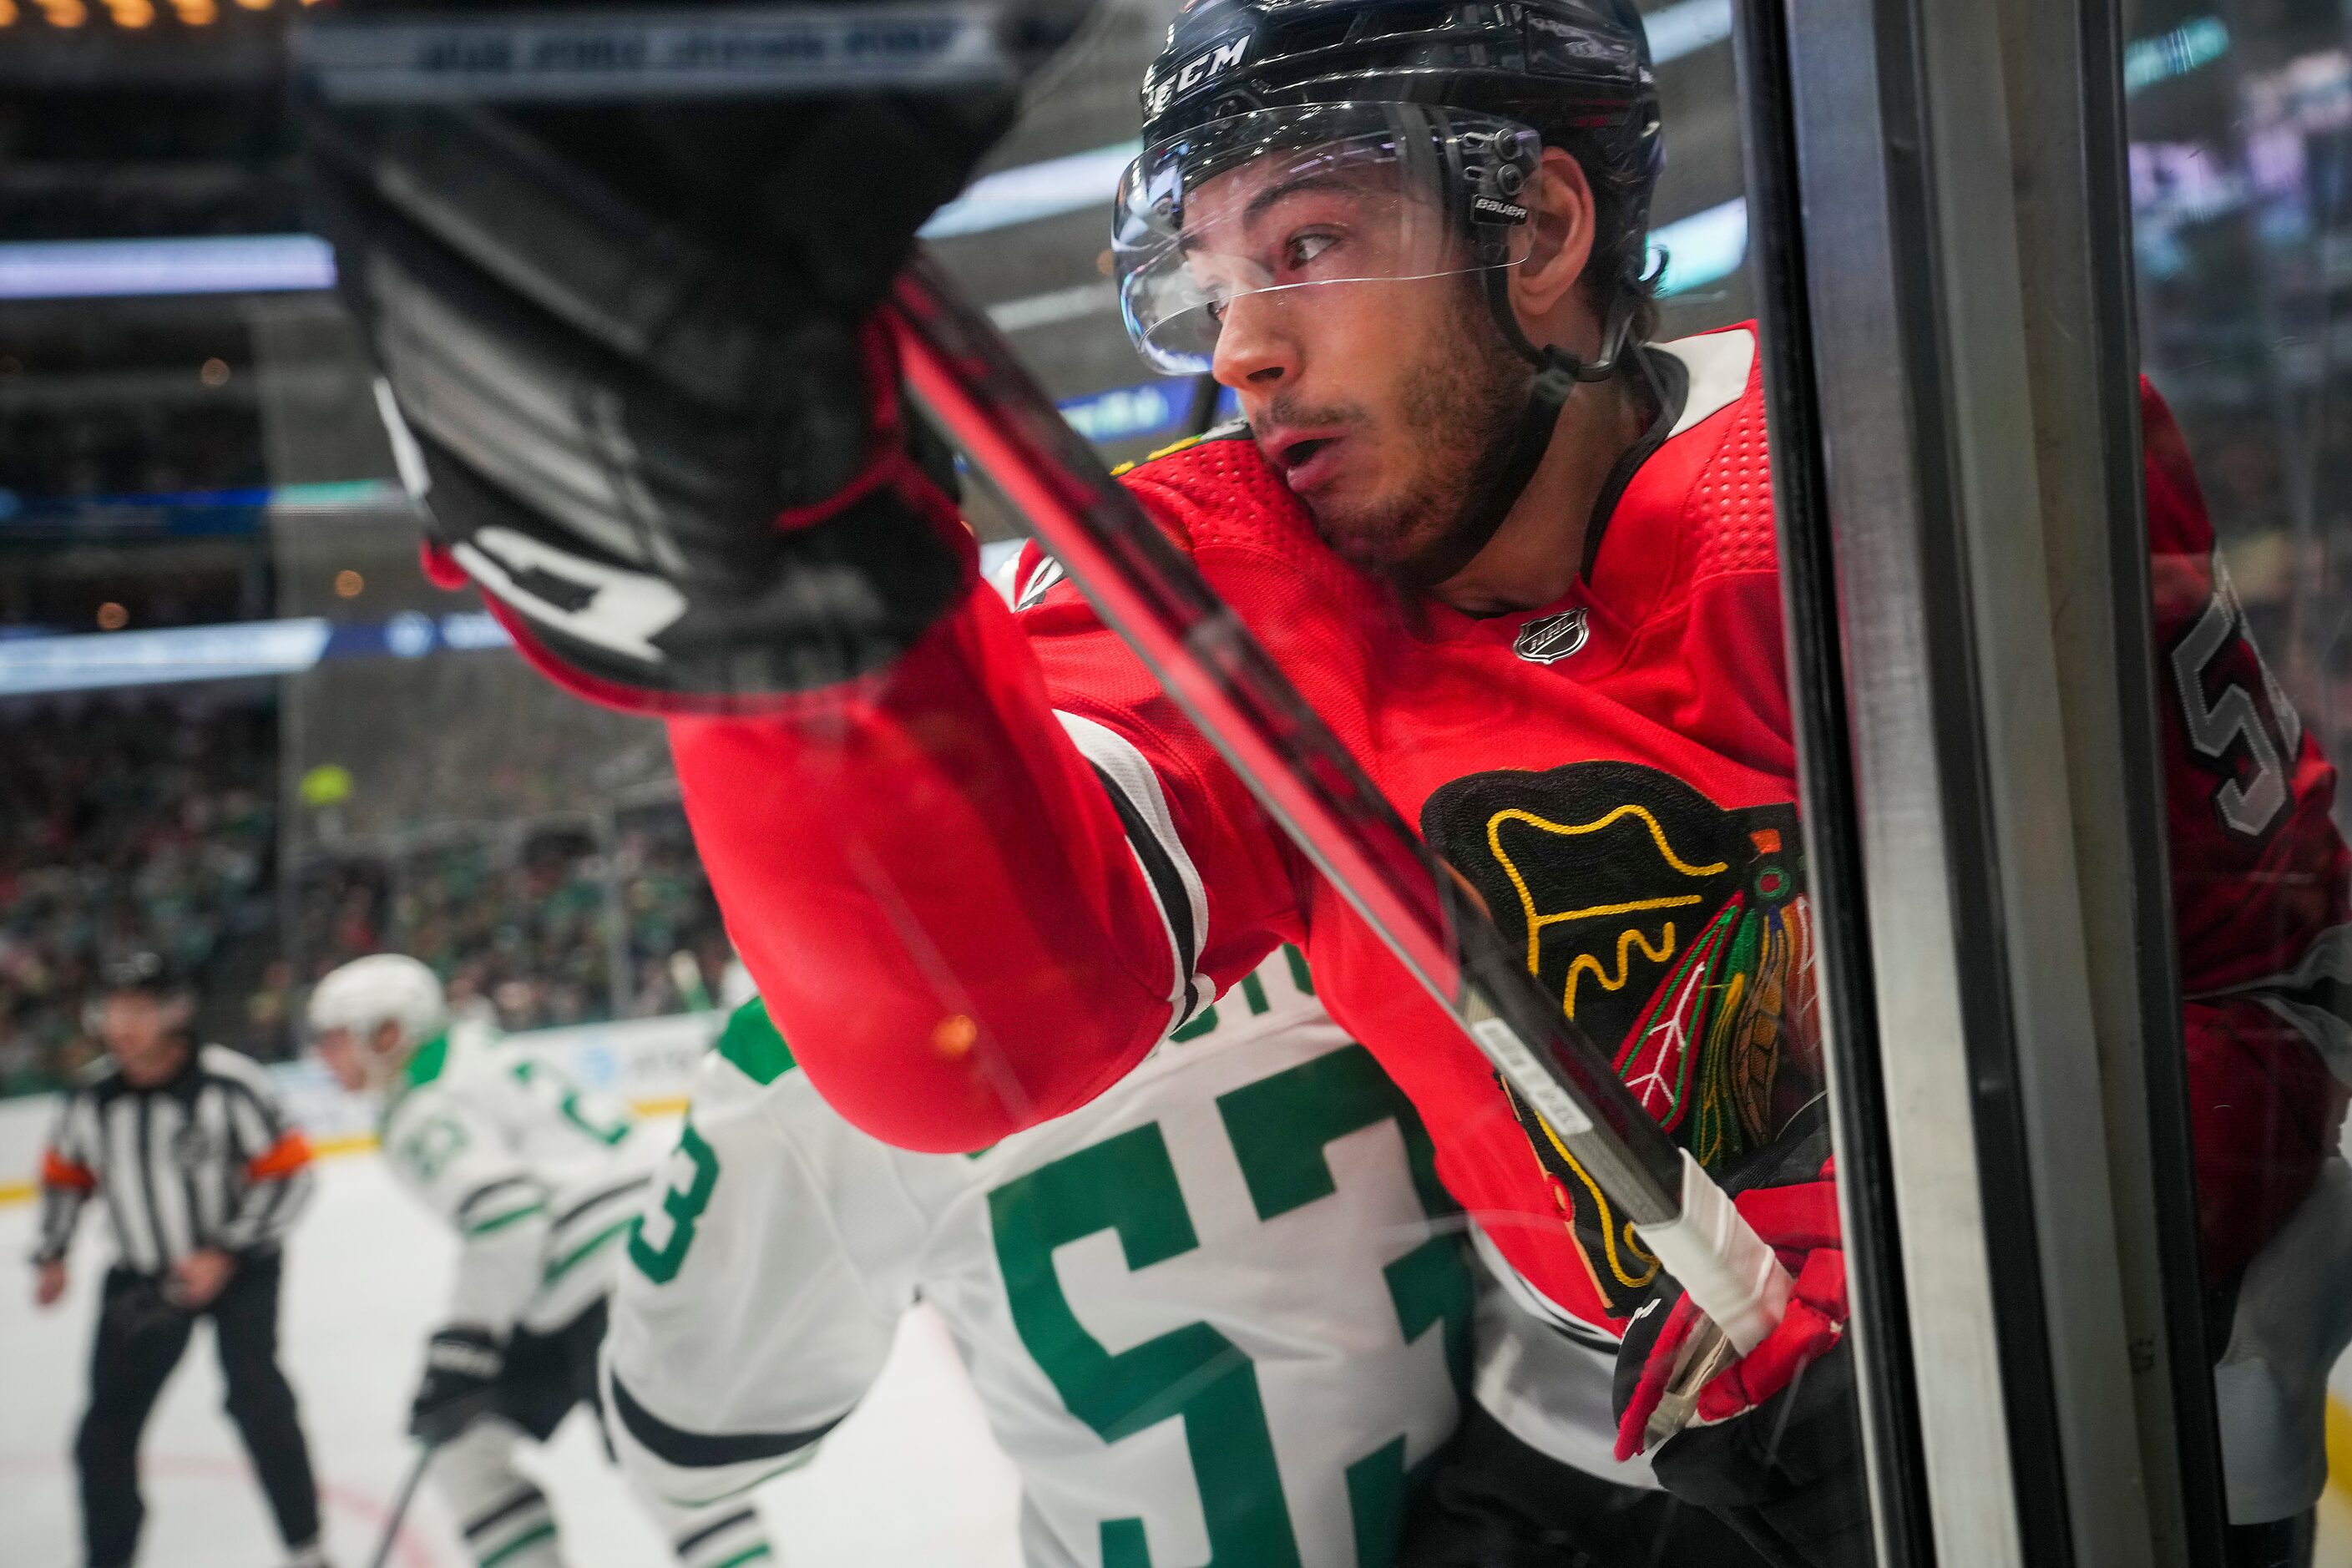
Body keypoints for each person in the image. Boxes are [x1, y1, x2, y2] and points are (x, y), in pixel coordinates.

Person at [305, 0, 2352, 1559]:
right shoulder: (1227, 562)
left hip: (2044, 1419)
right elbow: (990, 1020)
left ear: (1535, 224)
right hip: (1581, 1452)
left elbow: (2247, 976)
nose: (1239, 348)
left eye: (1304, 243)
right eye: (1204, 272)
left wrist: (1899, 1343)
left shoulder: (1888, 462)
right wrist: (762, 625)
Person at [305, 954, 776, 1568]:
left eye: (336, 1039)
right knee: (637, 1460)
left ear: (387, 1033)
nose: (324, 1057)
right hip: (654, 1247)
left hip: (603, 1279)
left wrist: (466, 1333)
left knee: (660, 1467)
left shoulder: (419, 1104)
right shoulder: (479, 1049)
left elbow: (506, 1218)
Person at [33, 952, 329, 1568]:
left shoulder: (230, 1084)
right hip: (144, 1278)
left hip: (242, 1271)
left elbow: (288, 1175)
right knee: (105, 1434)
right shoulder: (92, 1097)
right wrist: (54, 1252)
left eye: (137, 1009)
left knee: (258, 1400)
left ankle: (308, 1549)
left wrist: (226, 1251)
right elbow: (66, 1174)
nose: (122, 1025)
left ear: (173, 1013)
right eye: (112, 1010)